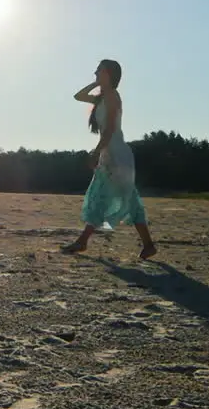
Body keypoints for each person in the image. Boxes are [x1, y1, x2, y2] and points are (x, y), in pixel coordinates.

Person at [62, 59, 157, 260]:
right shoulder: (102, 97)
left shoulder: (113, 96)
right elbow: (78, 96)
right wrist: (97, 83)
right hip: (110, 151)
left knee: (114, 196)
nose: (95, 72)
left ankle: (83, 241)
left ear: (107, 72)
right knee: (108, 195)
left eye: (98, 70)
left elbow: (111, 128)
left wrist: (96, 152)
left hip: (117, 153)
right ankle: (147, 245)